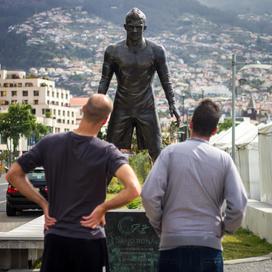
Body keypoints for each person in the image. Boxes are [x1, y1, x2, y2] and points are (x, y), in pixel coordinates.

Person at [6, 94, 141, 272]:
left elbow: (13, 175)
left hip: (56, 239)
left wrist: (43, 204)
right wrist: (102, 208)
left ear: (83, 109)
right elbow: (134, 189)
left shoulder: (49, 143)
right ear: (105, 120)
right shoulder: (107, 151)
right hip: (89, 239)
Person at [141, 99, 247, 272]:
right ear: (215, 130)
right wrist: (226, 228)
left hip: (172, 244)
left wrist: (160, 224)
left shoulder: (170, 154)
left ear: (190, 124)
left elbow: (148, 194)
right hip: (209, 244)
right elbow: (239, 205)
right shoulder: (224, 160)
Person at [98, 7, 180, 161]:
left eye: (139, 27)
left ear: (145, 28)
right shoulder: (113, 51)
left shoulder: (156, 51)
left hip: (147, 107)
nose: (135, 31)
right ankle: (103, 185)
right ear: (125, 27)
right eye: (131, 27)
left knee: (156, 154)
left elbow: (166, 79)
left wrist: (172, 103)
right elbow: (104, 80)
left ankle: (157, 185)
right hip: (122, 106)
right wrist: (96, 106)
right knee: (109, 154)